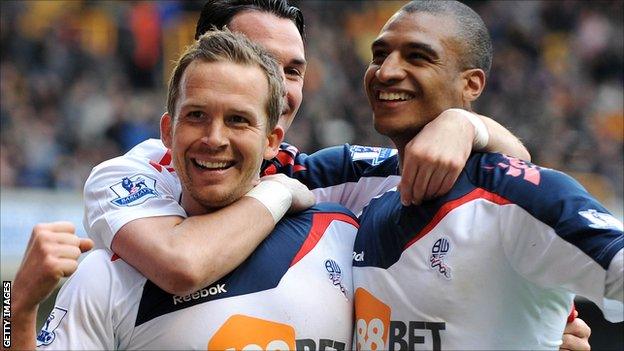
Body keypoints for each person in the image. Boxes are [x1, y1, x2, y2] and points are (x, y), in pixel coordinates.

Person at [10, 1, 589, 349]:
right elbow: (181, 264)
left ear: (273, 138)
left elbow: (495, 185)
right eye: (253, 59)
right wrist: (13, 312)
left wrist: (470, 128)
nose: (277, 86)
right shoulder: (127, 179)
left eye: (292, 69)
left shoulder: (331, 197)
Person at [14, 29, 360, 350]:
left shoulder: (340, 238)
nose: (214, 138)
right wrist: (13, 307)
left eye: (238, 120)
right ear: (168, 131)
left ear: (272, 141)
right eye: (196, 115)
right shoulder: (106, 276)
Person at [346, 1, 623, 349]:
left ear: (472, 85)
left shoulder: (524, 196)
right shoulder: (353, 180)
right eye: (379, 54)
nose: (386, 72)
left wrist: (469, 124)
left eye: (417, 57)